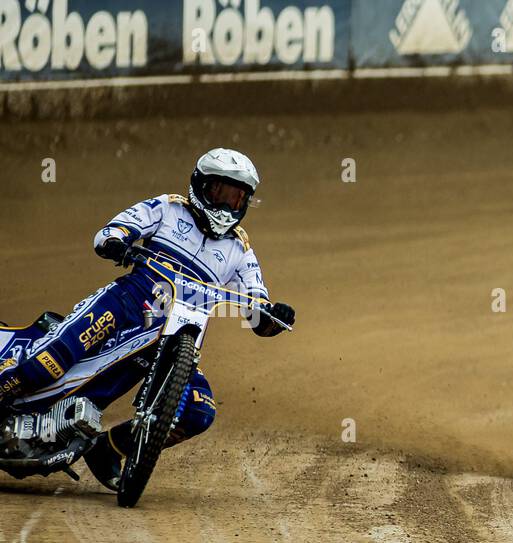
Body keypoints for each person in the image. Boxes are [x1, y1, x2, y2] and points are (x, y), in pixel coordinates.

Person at [0, 148, 296, 490]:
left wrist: (275, 315)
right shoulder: (169, 208)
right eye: (220, 192)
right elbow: (109, 233)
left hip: (177, 338)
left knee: (199, 411)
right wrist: (119, 243)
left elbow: (258, 311)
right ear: (201, 186)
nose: (227, 205)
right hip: (126, 303)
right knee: (46, 364)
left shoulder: (240, 250)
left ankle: (108, 448)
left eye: (236, 198)